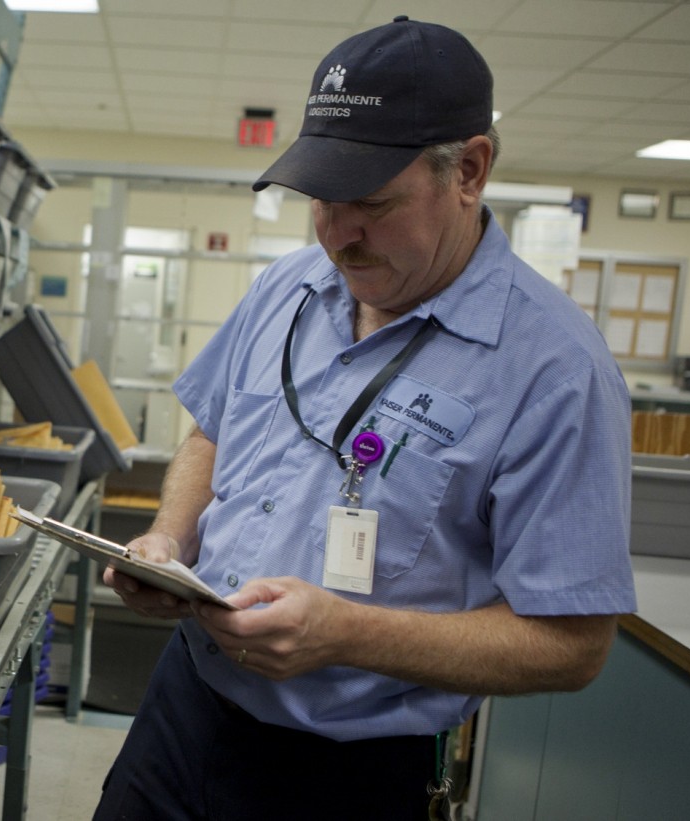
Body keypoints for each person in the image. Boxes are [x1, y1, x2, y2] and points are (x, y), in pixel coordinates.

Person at [92, 16, 636, 821]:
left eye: (373, 204)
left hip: (349, 772)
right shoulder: (287, 287)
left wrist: (349, 634)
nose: (339, 236)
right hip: (185, 710)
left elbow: (573, 644)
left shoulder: (557, 370)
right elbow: (212, 429)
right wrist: (172, 539)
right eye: (321, 201)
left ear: (470, 170)